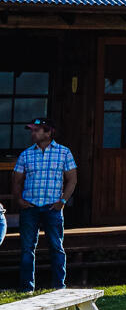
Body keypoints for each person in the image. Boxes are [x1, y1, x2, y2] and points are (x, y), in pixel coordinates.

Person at [12, 118, 77, 292]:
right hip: (30, 207)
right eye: (32, 131)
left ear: (48, 132)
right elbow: (17, 180)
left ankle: (59, 287)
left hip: (52, 208)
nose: (32, 134)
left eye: (36, 130)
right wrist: (19, 200)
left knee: (56, 246)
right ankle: (26, 288)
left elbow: (72, 179)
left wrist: (62, 201)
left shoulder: (64, 153)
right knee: (27, 248)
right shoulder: (26, 154)